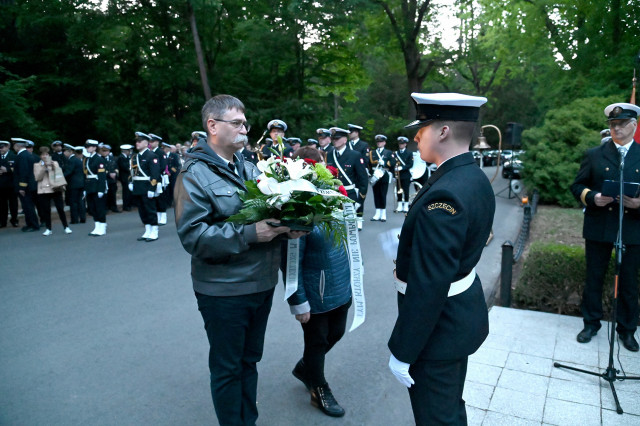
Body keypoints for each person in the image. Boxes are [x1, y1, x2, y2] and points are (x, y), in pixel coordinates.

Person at [174, 94, 305, 426]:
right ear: (212, 126)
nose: (245, 129)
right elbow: (194, 237)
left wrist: (288, 226)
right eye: (237, 123)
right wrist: (250, 234)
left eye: (246, 123)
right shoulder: (194, 174)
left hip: (260, 284)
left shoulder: (250, 167)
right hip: (223, 290)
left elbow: (269, 211)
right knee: (228, 367)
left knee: (249, 361)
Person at [387, 93, 495, 425]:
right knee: (448, 407)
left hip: (438, 331)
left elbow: (430, 284)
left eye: (424, 127)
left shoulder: (447, 191)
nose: (417, 135)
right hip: (457, 320)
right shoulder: (472, 177)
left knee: (438, 417)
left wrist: (403, 352)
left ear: (444, 131)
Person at [284, 146, 351, 418]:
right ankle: (319, 388)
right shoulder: (298, 209)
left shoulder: (333, 199)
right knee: (317, 342)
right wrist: (298, 300)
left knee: (336, 333)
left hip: (341, 284)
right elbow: (291, 262)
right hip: (317, 291)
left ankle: (306, 368)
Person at [570, 102, 640, 352]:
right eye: (612, 125)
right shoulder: (594, 155)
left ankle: (627, 329)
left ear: (634, 126)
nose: (616, 129)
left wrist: (637, 203)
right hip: (600, 225)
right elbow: (577, 186)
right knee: (594, 277)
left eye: (621, 125)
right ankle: (591, 323)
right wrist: (592, 197)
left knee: (629, 282)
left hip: (631, 228)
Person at [325, 127, 368, 230]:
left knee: (350, 229)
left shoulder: (355, 155)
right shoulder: (329, 155)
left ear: (345, 140)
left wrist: (360, 201)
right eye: (333, 138)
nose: (334, 141)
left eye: (337, 138)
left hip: (349, 195)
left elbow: (363, 179)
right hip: (333, 195)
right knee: (334, 227)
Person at [34, 146, 71, 235]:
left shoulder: (55, 163)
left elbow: (58, 173)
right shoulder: (37, 165)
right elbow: (38, 177)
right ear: (40, 156)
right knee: (46, 210)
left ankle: (66, 226)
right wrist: (44, 168)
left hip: (55, 188)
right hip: (44, 190)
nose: (45, 156)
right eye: (43, 155)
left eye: (46, 154)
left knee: (60, 209)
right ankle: (48, 228)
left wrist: (52, 166)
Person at [130, 132, 160, 242]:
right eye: (136, 141)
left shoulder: (152, 156)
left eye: (139, 141)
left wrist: (152, 188)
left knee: (150, 209)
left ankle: (154, 231)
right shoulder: (135, 156)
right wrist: (130, 182)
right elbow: (132, 171)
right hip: (138, 187)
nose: (137, 143)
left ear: (146, 142)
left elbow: (155, 174)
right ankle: (147, 230)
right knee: (142, 210)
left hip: (147, 187)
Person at [11, 138, 40, 232]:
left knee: (28, 206)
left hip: (26, 186)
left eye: (14, 145)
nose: (14, 147)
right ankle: (30, 223)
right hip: (29, 185)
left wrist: (22, 187)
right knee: (27, 206)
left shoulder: (22, 156)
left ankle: (34, 224)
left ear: (18, 146)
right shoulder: (25, 154)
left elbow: (24, 172)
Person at [83, 139, 108, 236]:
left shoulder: (99, 159)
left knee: (99, 208)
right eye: (87, 147)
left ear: (94, 147)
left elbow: (102, 176)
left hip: (97, 186)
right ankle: (97, 226)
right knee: (92, 208)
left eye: (89, 146)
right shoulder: (88, 159)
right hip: (90, 186)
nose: (87, 148)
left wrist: (101, 189)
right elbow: (86, 175)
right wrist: (85, 189)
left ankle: (102, 226)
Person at [368, 134, 395, 222]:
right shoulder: (373, 153)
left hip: (384, 175)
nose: (379, 143)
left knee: (383, 194)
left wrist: (385, 163)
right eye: (378, 142)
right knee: (376, 194)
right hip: (375, 175)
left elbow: (393, 162)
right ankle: (377, 213)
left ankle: (383, 213)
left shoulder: (389, 152)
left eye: (381, 142)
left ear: (384, 143)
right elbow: (369, 164)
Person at [347, 124, 371, 221]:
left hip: (359, 173)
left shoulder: (363, 145)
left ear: (356, 133)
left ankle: (359, 217)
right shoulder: (347, 144)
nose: (349, 134)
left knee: (360, 195)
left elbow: (365, 160)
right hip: (349, 173)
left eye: (351, 132)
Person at [63, 143, 86, 224]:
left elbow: (68, 172)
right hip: (80, 183)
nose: (64, 153)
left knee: (73, 202)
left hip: (73, 184)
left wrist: (60, 177)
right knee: (80, 201)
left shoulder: (71, 160)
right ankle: (83, 218)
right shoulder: (77, 160)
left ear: (70, 152)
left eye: (65, 151)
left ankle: (74, 219)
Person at [149, 133, 168, 225]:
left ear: (157, 142)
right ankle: (157, 216)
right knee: (154, 198)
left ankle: (163, 216)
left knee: (161, 198)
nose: (150, 143)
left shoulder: (160, 152)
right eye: (150, 141)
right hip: (152, 178)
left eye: (152, 141)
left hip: (159, 177)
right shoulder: (150, 152)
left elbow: (163, 166)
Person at [0, 140, 19, 228]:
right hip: (1, 185)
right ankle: (2, 222)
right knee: (2, 205)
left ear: (7, 147)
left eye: (2, 147)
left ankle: (14, 220)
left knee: (13, 204)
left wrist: (7, 170)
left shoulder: (14, 156)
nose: (1, 149)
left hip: (11, 184)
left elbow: (18, 169)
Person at [394, 136, 414, 213]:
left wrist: (402, 168)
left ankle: (405, 205)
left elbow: (410, 164)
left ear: (405, 144)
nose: (401, 145)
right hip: (398, 175)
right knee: (398, 190)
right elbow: (393, 163)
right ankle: (399, 205)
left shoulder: (409, 153)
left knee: (406, 190)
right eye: (400, 144)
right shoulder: (396, 153)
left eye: (402, 144)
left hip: (406, 174)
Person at [100, 144, 120, 213]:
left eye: (106, 151)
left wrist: (115, 173)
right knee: (106, 195)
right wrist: (109, 174)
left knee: (113, 194)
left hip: (113, 180)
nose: (105, 152)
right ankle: (106, 208)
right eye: (103, 151)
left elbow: (116, 167)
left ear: (109, 151)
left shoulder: (113, 158)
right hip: (106, 179)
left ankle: (114, 207)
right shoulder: (100, 159)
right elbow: (102, 169)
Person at [117, 144, 133, 211]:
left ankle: (129, 204)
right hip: (124, 177)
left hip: (128, 176)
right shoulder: (121, 158)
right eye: (129, 151)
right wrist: (131, 168)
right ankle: (126, 206)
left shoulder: (127, 157)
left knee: (129, 191)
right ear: (126, 151)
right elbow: (124, 167)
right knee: (126, 192)